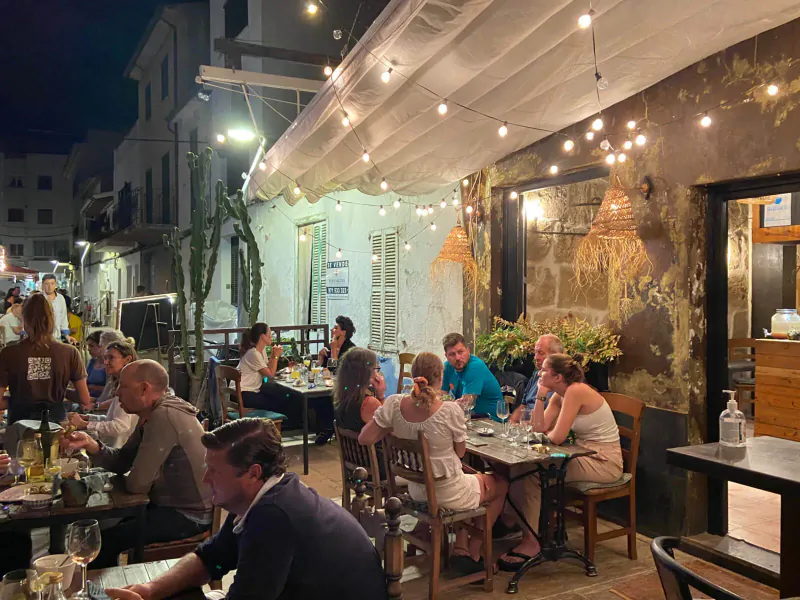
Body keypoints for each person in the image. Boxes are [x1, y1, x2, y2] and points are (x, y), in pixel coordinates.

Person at [104, 418, 388, 600]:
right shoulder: (261, 498)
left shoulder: (274, 516)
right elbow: (211, 559)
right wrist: (149, 590)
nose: (205, 479)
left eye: (214, 471)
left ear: (252, 474)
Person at [360, 352, 508, 573]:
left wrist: (394, 429)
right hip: (446, 493)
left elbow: (365, 438)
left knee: (470, 479)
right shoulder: (449, 410)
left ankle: (460, 546)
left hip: (416, 491)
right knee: (500, 484)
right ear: (440, 376)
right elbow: (460, 452)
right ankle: (474, 553)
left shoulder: (394, 404)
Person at [62, 360, 213, 567]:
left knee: (100, 541)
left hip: (189, 516)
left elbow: (137, 485)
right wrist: (91, 444)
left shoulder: (163, 416)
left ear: (144, 389)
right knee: (100, 527)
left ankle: (103, 586)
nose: (116, 393)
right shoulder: (153, 413)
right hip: (169, 507)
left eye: (122, 386)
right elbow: (122, 461)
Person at [497, 353, 622, 571]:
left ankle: (530, 540)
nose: (539, 373)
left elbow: (557, 437)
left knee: (530, 472)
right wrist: (540, 395)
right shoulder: (559, 394)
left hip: (604, 461)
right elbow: (538, 427)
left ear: (558, 377)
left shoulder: (576, 391)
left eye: (544, 370)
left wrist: (546, 434)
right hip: (582, 453)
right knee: (521, 467)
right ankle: (518, 524)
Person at [0, 294, 91, 424]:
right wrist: (59, 391)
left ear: (24, 318)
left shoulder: (8, 353)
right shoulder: (70, 352)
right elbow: (85, 399)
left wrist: (15, 400)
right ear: (52, 318)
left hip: (20, 425)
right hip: (56, 424)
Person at [67, 341, 139, 448]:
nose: (106, 362)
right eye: (105, 358)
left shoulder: (129, 386)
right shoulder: (119, 383)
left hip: (119, 451)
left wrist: (84, 424)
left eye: (111, 358)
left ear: (127, 359)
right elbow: (111, 419)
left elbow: (120, 426)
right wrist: (87, 417)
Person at [441, 332, 503, 420]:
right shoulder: (447, 367)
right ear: (446, 356)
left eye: (460, 352)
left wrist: (447, 405)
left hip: (491, 420)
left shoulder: (475, 367)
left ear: (468, 350)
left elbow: (466, 404)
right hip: (468, 418)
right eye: (452, 354)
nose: (457, 358)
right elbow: (441, 395)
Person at [509, 334, 562, 423]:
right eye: (535, 353)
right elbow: (523, 407)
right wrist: (511, 423)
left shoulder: (561, 384)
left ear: (555, 355)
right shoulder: (536, 375)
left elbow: (546, 424)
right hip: (524, 427)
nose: (536, 357)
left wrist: (524, 426)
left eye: (540, 353)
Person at [334, 348, 386, 432]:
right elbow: (389, 427)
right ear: (367, 373)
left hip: (351, 441)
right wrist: (381, 395)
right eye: (375, 368)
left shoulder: (342, 397)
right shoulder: (369, 403)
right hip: (370, 441)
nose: (377, 373)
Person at [237, 322, 283, 410]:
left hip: (249, 390)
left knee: (278, 394)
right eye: (269, 334)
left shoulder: (261, 350)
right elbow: (270, 375)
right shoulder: (254, 353)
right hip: (243, 393)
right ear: (262, 336)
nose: (271, 336)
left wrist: (273, 355)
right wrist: (276, 357)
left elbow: (266, 368)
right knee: (278, 402)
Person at [41, 274, 75, 343]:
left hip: (57, 338)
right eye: (47, 284)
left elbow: (63, 318)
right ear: (42, 284)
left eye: (52, 284)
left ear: (55, 284)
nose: (50, 287)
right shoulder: (38, 298)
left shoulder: (61, 298)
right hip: (41, 339)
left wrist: (67, 336)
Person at [83, 331, 108, 397]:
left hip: (103, 399)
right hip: (89, 398)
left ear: (102, 346)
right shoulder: (92, 362)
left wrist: (94, 387)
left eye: (91, 346)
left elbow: (112, 390)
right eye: (88, 346)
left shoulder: (110, 365)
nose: (88, 349)